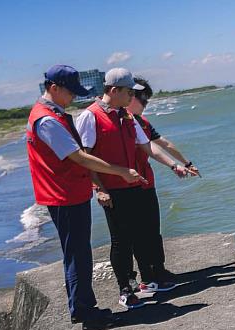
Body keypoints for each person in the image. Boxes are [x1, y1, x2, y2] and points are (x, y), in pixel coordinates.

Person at [26, 65, 146, 330]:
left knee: (78, 253)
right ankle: (85, 312)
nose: (73, 99)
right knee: (78, 255)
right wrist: (120, 172)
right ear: (54, 88)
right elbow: (78, 156)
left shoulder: (52, 115)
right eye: (70, 92)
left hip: (69, 193)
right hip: (63, 195)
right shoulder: (46, 120)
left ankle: (83, 308)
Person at [74, 67, 193, 310]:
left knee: (141, 235)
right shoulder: (90, 116)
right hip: (113, 189)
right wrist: (99, 188)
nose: (133, 97)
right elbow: (84, 158)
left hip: (135, 186)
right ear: (114, 90)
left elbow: (148, 147)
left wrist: (174, 166)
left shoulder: (127, 116)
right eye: (129, 92)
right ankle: (125, 288)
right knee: (121, 241)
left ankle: (147, 280)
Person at [126, 76, 199, 292]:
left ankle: (159, 270)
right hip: (129, 185)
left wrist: (186, 163)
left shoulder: (142, 122)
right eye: (144, 100)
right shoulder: (125, 121)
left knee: (153, 231)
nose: (146, 104)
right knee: (139, 235)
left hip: (146, 183)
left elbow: (162, 143)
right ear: (130, 97)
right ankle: (148, 277)